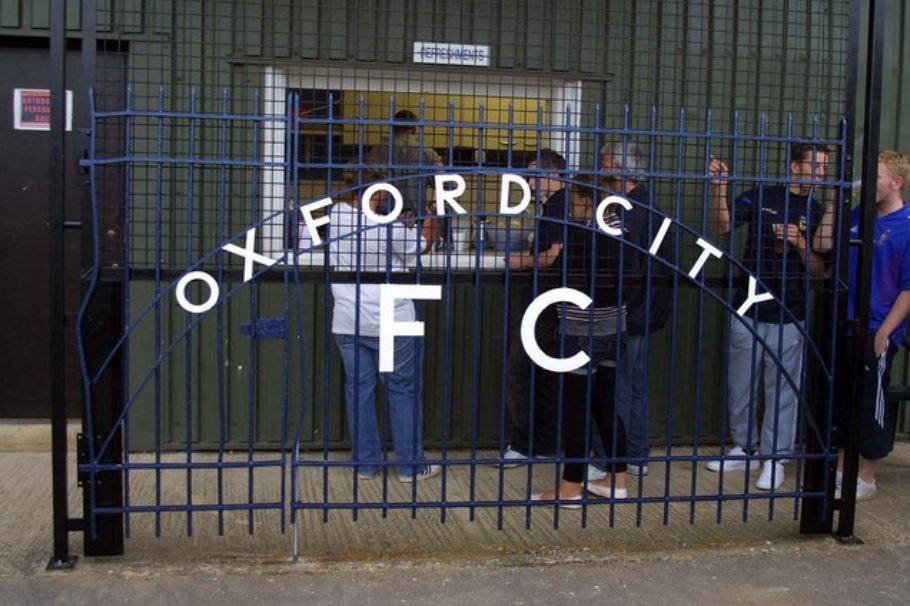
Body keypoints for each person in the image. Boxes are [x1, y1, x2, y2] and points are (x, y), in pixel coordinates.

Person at [706, 143, 830, 490]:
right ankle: (744, 446)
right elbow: (724, 226)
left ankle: (775, 457)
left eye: (824, 167)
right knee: (741, 384)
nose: (821, 173)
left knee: (782, 389)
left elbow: (820, 269)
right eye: (815, 165)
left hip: (790, 311)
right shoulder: (762, 196)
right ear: (794, 167)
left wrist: (801, 243)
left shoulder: (818, 210)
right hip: (748, 305)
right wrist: (720, 188)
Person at [328, 167, 441, 482]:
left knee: (358, 390)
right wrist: (434, 215)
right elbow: (424, 244)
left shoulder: (336, 215)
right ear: (374, 191)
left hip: (348, 321)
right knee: (401, 389)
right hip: (392, 321)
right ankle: (410, 466)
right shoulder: (384, 227)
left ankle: (365, 465)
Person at [532, 175, 630, 506]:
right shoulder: (621, 232)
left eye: (574, 198)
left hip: (580, 333)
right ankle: (617, 479)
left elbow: (561, 275)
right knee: (604, 406)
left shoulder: (585, 234)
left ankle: (570, 487)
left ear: (587, 200)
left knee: (575, 410)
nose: (571, 204)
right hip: (613, 330)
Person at [587, 142, 671, 481]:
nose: (602, 171)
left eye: (606, 164)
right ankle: (635, 455)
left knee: (616, 387)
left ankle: (610, 459)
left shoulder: (625, 211)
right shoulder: (650, 208)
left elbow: (624, 268)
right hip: (646, 311)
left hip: (627, 311)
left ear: (620, 170)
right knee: (634, 385)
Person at [838, 150, 910, 500]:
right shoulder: (857, 216)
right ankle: (840, 471)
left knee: (871, 402)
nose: (867, 183)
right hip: (846, 324)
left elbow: (909, 289)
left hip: (877, 328)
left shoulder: (908, 225)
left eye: (875, 176)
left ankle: (866, 477)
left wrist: (885, 331)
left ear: (896, 183)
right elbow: (825, 249)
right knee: (843, 399)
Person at [498, 149, 570, 466]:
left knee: (519, 371)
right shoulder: (558, 205)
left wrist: (520, 261)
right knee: (544, 374)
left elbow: (553, 255)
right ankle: (543, 443)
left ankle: (524, 445)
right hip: (551, 300)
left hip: (545, 301)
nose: (528, 180)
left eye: (532, 173)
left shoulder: (558, 206)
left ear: (551, 174)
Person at [362, 108, 442, 215]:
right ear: (414, 129)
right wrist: (432, 205)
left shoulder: (377, 151)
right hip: (415, 216)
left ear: (393, 128)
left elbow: (363, 182)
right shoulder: (427, 153)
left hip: (383, 215)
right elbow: (447, 184)